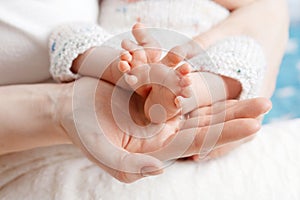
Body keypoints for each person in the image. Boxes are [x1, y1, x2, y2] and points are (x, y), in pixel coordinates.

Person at [0, 0, 288, 183]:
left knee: (245, 52)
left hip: (202, 59)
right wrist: (124, 62)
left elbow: (263, 11)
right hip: (128, 53)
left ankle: (192, 92)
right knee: (70, 33)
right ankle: (125, 75)